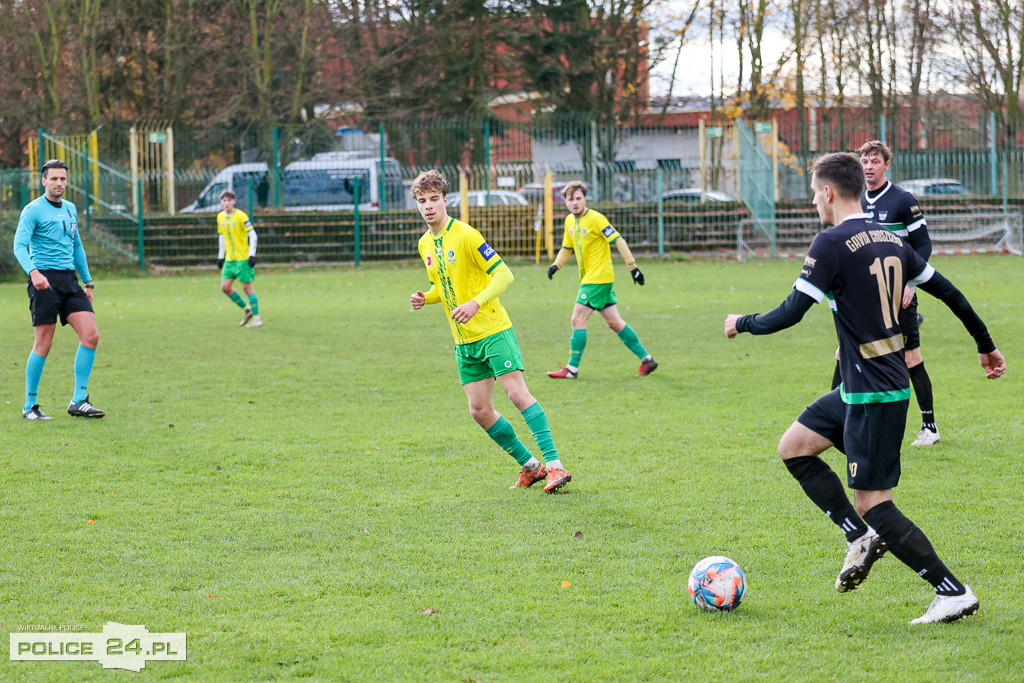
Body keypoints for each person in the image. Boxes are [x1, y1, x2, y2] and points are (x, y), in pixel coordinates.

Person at [724, 152, 1005, 624]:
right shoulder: (889, 239)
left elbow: (790, 312)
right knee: (794, 447)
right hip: (861, 387)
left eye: (815, 192)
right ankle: (858, 537)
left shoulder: (831, 242)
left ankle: (952, 590)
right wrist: (986, 346)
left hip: (876, 395)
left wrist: (741, 323)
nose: (815, 201)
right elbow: (950, 291)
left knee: (875, 503)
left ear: (829, 192)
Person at [408, 170, 571, 493]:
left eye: (433, 200)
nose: (428, 207)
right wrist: (426, 297)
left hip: (493, 330)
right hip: (464, 342)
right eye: (421, 201)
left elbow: (504, 275)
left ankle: (555, 466)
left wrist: (476, 303)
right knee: (479, 411)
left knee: (516, 394)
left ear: (445, 200)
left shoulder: (466, 235)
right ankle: (531, 467)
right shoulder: (425, 243)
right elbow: (442, 286)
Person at [834, 140, 938, 446]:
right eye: (864, 161)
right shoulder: (855, 202)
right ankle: (837, 423)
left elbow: (923, 246)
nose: (868, 166)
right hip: (866, 296)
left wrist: (911, 284)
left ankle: (930, 427)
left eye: (875, 161)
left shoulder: (902, 200)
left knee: (910, 358)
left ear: (886, 165)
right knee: (845, 352)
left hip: (899, 292)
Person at [13, 159, 105, 419]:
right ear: (44, 181)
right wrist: (34, 273)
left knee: (91, 335)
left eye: (63, 179)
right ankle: (30, 406)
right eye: (53, 179)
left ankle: (79, 401)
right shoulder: (32, 210)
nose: (59, 183)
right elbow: (19, 246)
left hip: (70, 281)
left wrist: (87, 282)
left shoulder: (71, 209)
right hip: (44, 281)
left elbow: (77, 247)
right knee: (44, 343)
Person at [545, 181, 657, 379]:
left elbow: (618, 240)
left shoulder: (597, 219)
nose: (575, 203)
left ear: (585, 199)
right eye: (570, 199)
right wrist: (556, 265)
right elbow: (566, 247)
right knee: (615, 322)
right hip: (592, 278)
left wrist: (633, 267)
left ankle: (571, 369)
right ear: (565, 202)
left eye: (578, 198)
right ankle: (647, 360)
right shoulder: (569, 221)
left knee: (577, 319)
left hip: (598, 278)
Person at [217, 190, 261, 327]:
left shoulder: (241, 216)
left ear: (234, 202)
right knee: (225, 287)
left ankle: (257, 319)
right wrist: (220, 256)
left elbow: (253, 235)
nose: (226, 203)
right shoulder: (220, 217)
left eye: (229, 200)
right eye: (224, 201)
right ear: (221, 202)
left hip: (243, 258)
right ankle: (247, 309)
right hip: (230, 259)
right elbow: (222, 237)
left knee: (247, 288)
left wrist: (252, 254)